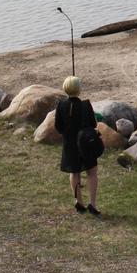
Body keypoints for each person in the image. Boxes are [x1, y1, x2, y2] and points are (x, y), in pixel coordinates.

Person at [53, 76, 100, 216]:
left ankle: (78, 201)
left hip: (70, 144)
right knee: (92, 172)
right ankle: (92, 203)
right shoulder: (85, 105)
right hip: (86, 144)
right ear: (79, 89)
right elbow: (93, 124)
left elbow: (58, 126)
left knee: (75, 172)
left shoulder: (61, 105)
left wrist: (68, 133)